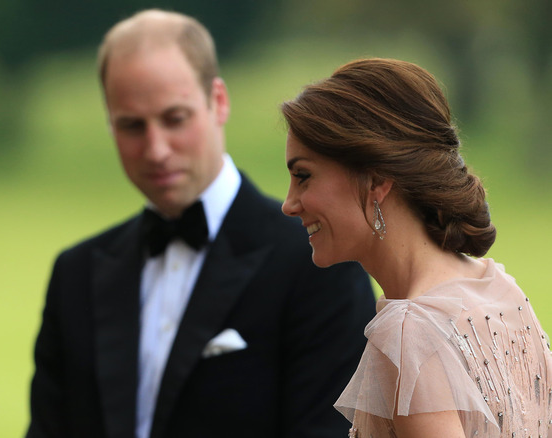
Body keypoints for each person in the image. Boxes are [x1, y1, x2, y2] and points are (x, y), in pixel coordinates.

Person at [27, 9, 376, 438]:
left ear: (218, 101)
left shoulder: (319, 261)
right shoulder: (75, 273)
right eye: (132, 125)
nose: (155, 149)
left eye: (175, 119)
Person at [280, 57, 552, 437]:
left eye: (303, 177)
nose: (289, 203)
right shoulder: (499, 289)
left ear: (375, 179)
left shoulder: (410, 333)